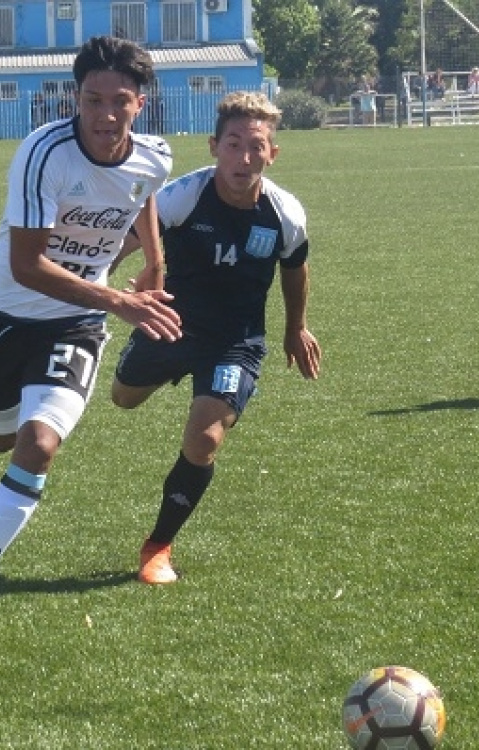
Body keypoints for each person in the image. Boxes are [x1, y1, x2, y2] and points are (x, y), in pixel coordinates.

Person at [0, 35, 182, 634]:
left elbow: (143, 192)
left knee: (38, 445)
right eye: (93, 100)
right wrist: (121, 299)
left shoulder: (155, 155)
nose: (105, 115)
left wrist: (155, 260)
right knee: (1, 440)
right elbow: (27, 266)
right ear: (76, 97)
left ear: (140, 104)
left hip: (75, 323)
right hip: (4, 317)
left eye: (119, 102)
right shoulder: (44, 153)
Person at [111, 91, 322, 584]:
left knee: (204, 439)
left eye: (256, 147)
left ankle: (158, 547)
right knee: (122, 398)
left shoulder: (285, 214)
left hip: (235, 341)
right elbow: (127, 240)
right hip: (171, 324)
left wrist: (296, 327)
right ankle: (160, 369)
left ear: (272, 153)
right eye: (233, 145)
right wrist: (100, 286)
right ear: (214, 147)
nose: (244, 158)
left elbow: (295, 268)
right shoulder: (183, 196)